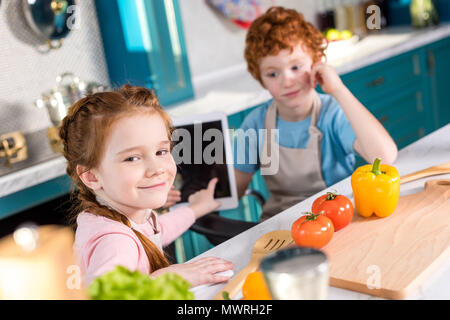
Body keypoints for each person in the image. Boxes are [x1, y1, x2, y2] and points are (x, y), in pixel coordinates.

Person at [233, 6, 398, 221]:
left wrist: (339, 90)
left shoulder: (332, 114)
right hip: (280, 227)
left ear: (316, 61)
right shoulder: (255, 124)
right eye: (273, 73)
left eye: (295, 67)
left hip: (337, 219)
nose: (287, 81)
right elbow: (233, 192)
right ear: (260, 78)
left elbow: (384, 157)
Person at [59, 85, 234, 287]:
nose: (157, 168)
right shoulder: (114, 241)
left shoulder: (126, 217)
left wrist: (196, 208)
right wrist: (171, 278)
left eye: (161, 151)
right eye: (132, 158)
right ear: (91, 177)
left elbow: (159, 230)